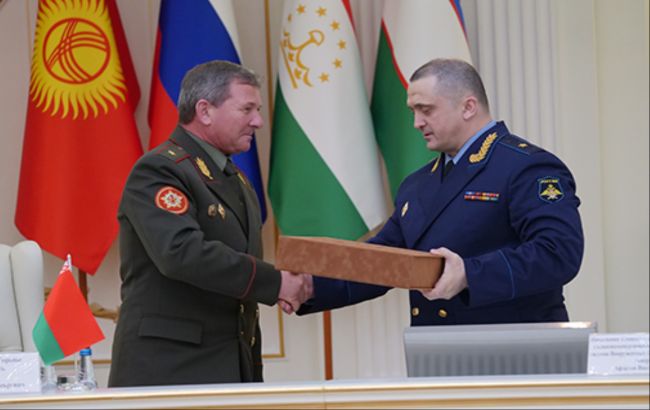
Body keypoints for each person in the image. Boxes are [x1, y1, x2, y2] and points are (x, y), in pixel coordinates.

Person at [296, 58, 584, 326]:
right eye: (413, 111)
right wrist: (308, 286)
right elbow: (385, 261)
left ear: (468, 107)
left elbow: (558, 253)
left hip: (516, 349)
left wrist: (469, 274)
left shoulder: (526, 166)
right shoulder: (417, 184)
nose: (416, 123)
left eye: (427, 110)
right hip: (438, 349)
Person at [108, 60, 311, 387]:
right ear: (204, 111)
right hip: (170, 370)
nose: (258, 121)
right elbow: (181, 252)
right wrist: (276, 283)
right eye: (246, 109)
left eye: (258, 110)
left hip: (229, 366)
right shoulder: (160, 170)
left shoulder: (235, 178)